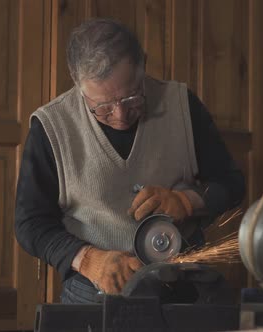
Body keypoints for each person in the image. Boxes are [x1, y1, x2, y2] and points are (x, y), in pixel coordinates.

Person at [14, 18, 245, 304]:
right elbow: (30, 223)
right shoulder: (52, 126)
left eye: (132, 97)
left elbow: (232, 184)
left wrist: (187, 202)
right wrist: (88, 260)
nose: (121, 116)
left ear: (143, 65)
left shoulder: (182, 105)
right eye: (103, 107)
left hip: (180, 285)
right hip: (94, 291)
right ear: (78, 84)